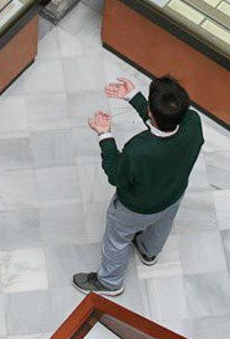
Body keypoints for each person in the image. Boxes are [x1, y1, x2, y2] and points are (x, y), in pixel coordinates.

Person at [74, 76, 203, 296]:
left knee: (116, 240)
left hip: (135, 209)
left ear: (151, 114)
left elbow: (115, 174)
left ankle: (109, 282)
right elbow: (165, 121)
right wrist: (134, 98)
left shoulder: (139, 149)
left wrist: (104, 134)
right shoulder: (192, 121)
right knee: (162, 225)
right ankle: (148, 251)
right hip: (173, 195)